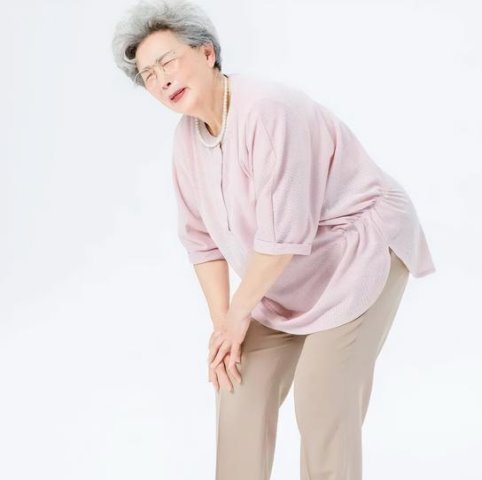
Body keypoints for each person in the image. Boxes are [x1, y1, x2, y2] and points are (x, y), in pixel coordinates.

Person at [112, 1, 436, 478]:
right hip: (282, 277)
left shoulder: (267, 109)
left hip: (357, 250)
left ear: (207, 53)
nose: (161, 79)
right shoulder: (187, 141)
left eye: (168, 61)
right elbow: (201, 242)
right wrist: (225, 328)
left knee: (322, 396)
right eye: (148, 75)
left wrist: (238, 315)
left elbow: (284, 235)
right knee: (236, 381)